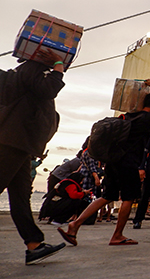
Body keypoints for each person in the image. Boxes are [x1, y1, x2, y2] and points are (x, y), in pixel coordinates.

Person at [58, 79, 150, 246]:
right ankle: (118, 235)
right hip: (129, 163)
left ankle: (74, 225)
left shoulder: (127, 117)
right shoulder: (146, 118)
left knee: (106, 197)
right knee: (128, 197)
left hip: (113, 162)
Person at [0, 49, 68, 264]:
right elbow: (49, 90)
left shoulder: (26, 72)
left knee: (20, 197)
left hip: (20, 142)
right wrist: (58, 67)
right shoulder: (31, 68)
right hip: (13, 141)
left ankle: (34, 245)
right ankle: (34, 243)